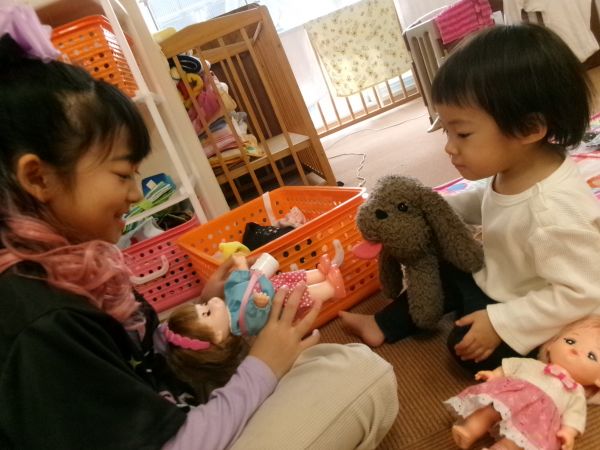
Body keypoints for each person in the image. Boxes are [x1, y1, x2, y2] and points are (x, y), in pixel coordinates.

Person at [0, 4, 398, 449]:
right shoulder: (40, 325)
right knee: (361, 373)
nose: (135, 193)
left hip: (169, 408)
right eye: (122, 174)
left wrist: (206, 304)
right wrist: (262, 367)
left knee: (318, 360)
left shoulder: (71, 269)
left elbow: (135, 364)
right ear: (38, 178)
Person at [339, 23, 600, 373]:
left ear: (529, 128)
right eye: (446, 131)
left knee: (464, 347)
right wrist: (436, 210)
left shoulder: (553, 211)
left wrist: (501, 322)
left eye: (462, 133)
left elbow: (582, 292)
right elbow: (490, 202)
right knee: (442, 260)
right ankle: (382, 324)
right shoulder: (515, 169)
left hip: (540, 311)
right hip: (501, 279)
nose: (449, 147)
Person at [163, 252, 346, 400]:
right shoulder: (240, 323)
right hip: (274, 296)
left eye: (203, 305)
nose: (212, 302)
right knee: (295, 294)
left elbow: (237, 286)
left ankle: (319, 273)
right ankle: (330, 288)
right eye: (208, 313)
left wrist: (243, 269)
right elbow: (255, 318)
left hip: (268, 284)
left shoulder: (227, 307)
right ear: (217, 335)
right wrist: (259, 305)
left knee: (289, 278)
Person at [445, 316, 600, 450]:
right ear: (552, 344)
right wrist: (495, 374)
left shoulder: (576, 392)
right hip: (513, 397)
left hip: (538, 420)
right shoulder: (536, 365)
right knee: (490, 410)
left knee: (518, 441)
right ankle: (470, 430)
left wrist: (568, 432)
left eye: (591, 356)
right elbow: (512, 366)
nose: (576, 350)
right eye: (570, 341)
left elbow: (575, 414)